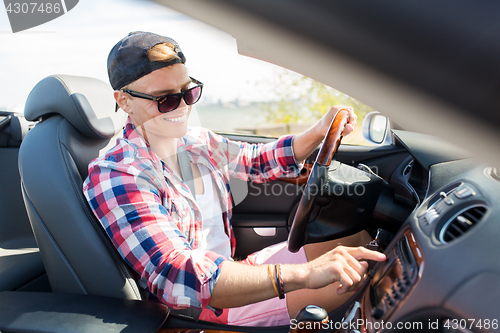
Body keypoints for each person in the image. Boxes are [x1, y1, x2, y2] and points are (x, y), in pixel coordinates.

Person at [83, 31, 386, 327]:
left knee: (359, 246)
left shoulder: (195, 142)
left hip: (233, 270)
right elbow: (177, 274)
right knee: (366, 279)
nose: (183, 108)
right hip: (204, 309)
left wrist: (317, 132)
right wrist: (302, 275)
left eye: (189, 93)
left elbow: (254, 160)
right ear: (124, 101)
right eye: (164, 100)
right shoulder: (119, 173)